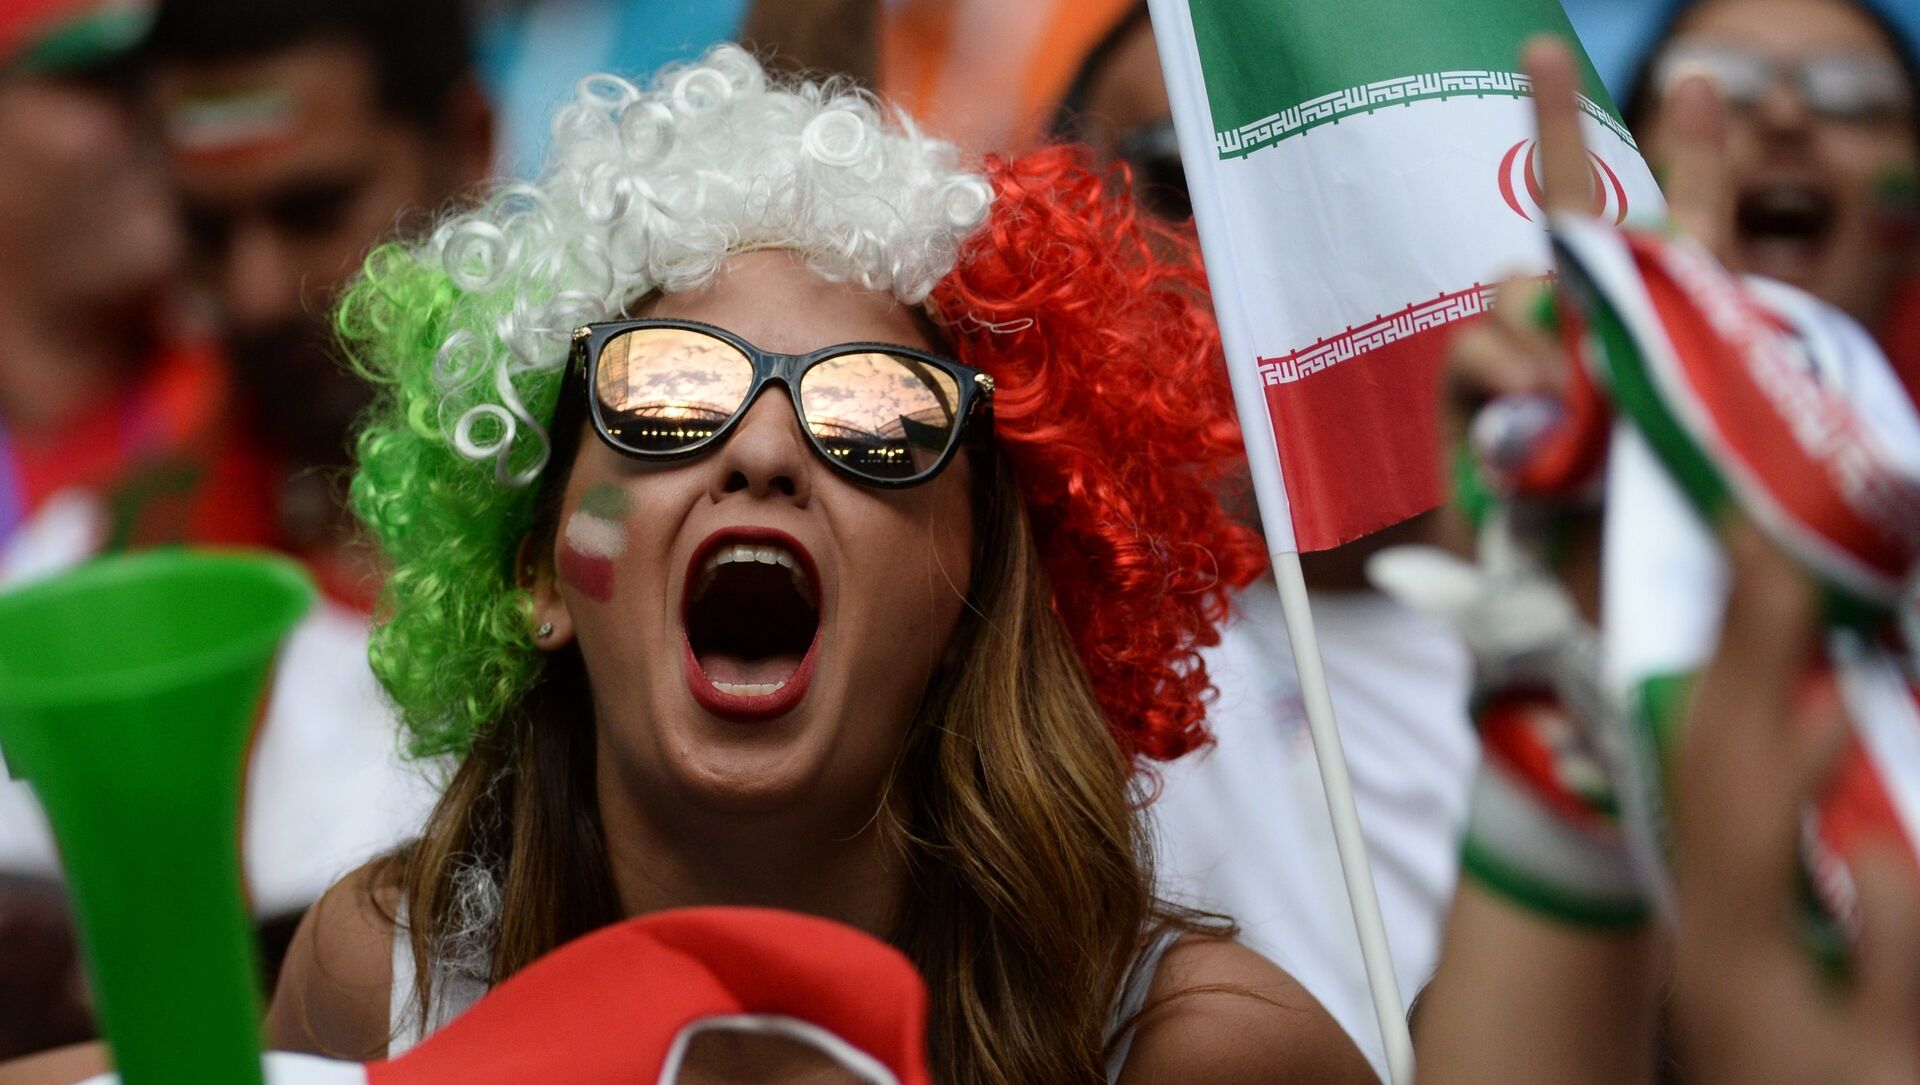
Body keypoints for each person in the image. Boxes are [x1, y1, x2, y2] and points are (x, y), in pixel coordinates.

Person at [255, 46, 1373, 1084]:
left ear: (974, 587)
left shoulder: (1199, 1050)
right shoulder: (388, 982)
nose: (765, 450)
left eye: (880, 414)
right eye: (667, 390)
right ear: (538, 572)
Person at [1051, 6, 1478, 1073]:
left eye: (1327, 163)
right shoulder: (1018, 634)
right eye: (1181, 174)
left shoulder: (1613, 632)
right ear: (1061, 233)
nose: (1261, 220)